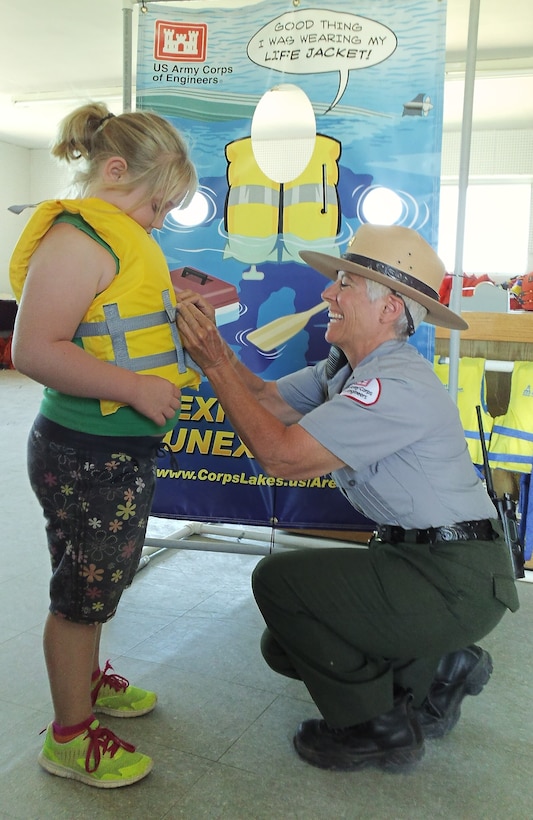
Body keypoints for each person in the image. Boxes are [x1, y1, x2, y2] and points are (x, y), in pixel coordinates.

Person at [175, 223, 520, 773]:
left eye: (344, 285)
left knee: (278, 583)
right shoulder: (348, 370)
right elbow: (264, 397)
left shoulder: (393, 386)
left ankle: (379, 729)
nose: (327, 294)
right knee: (284, 645)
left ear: (390, 310)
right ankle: (440, 666)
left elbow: (282, 457)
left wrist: (215, 363)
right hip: (424, 562)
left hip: (455, 576)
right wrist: (209, 346)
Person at [9, 103, 200, 788]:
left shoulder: (115, 236)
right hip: (86, 451)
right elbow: (33, 348)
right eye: (157, 205)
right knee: (81, 594)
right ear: (115, 171)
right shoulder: (78, 238)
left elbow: (110, 311)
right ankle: (68, 735)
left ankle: (87, 681)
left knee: (95, 579)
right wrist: (137, 388)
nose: (159, 221)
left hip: (111, 450)